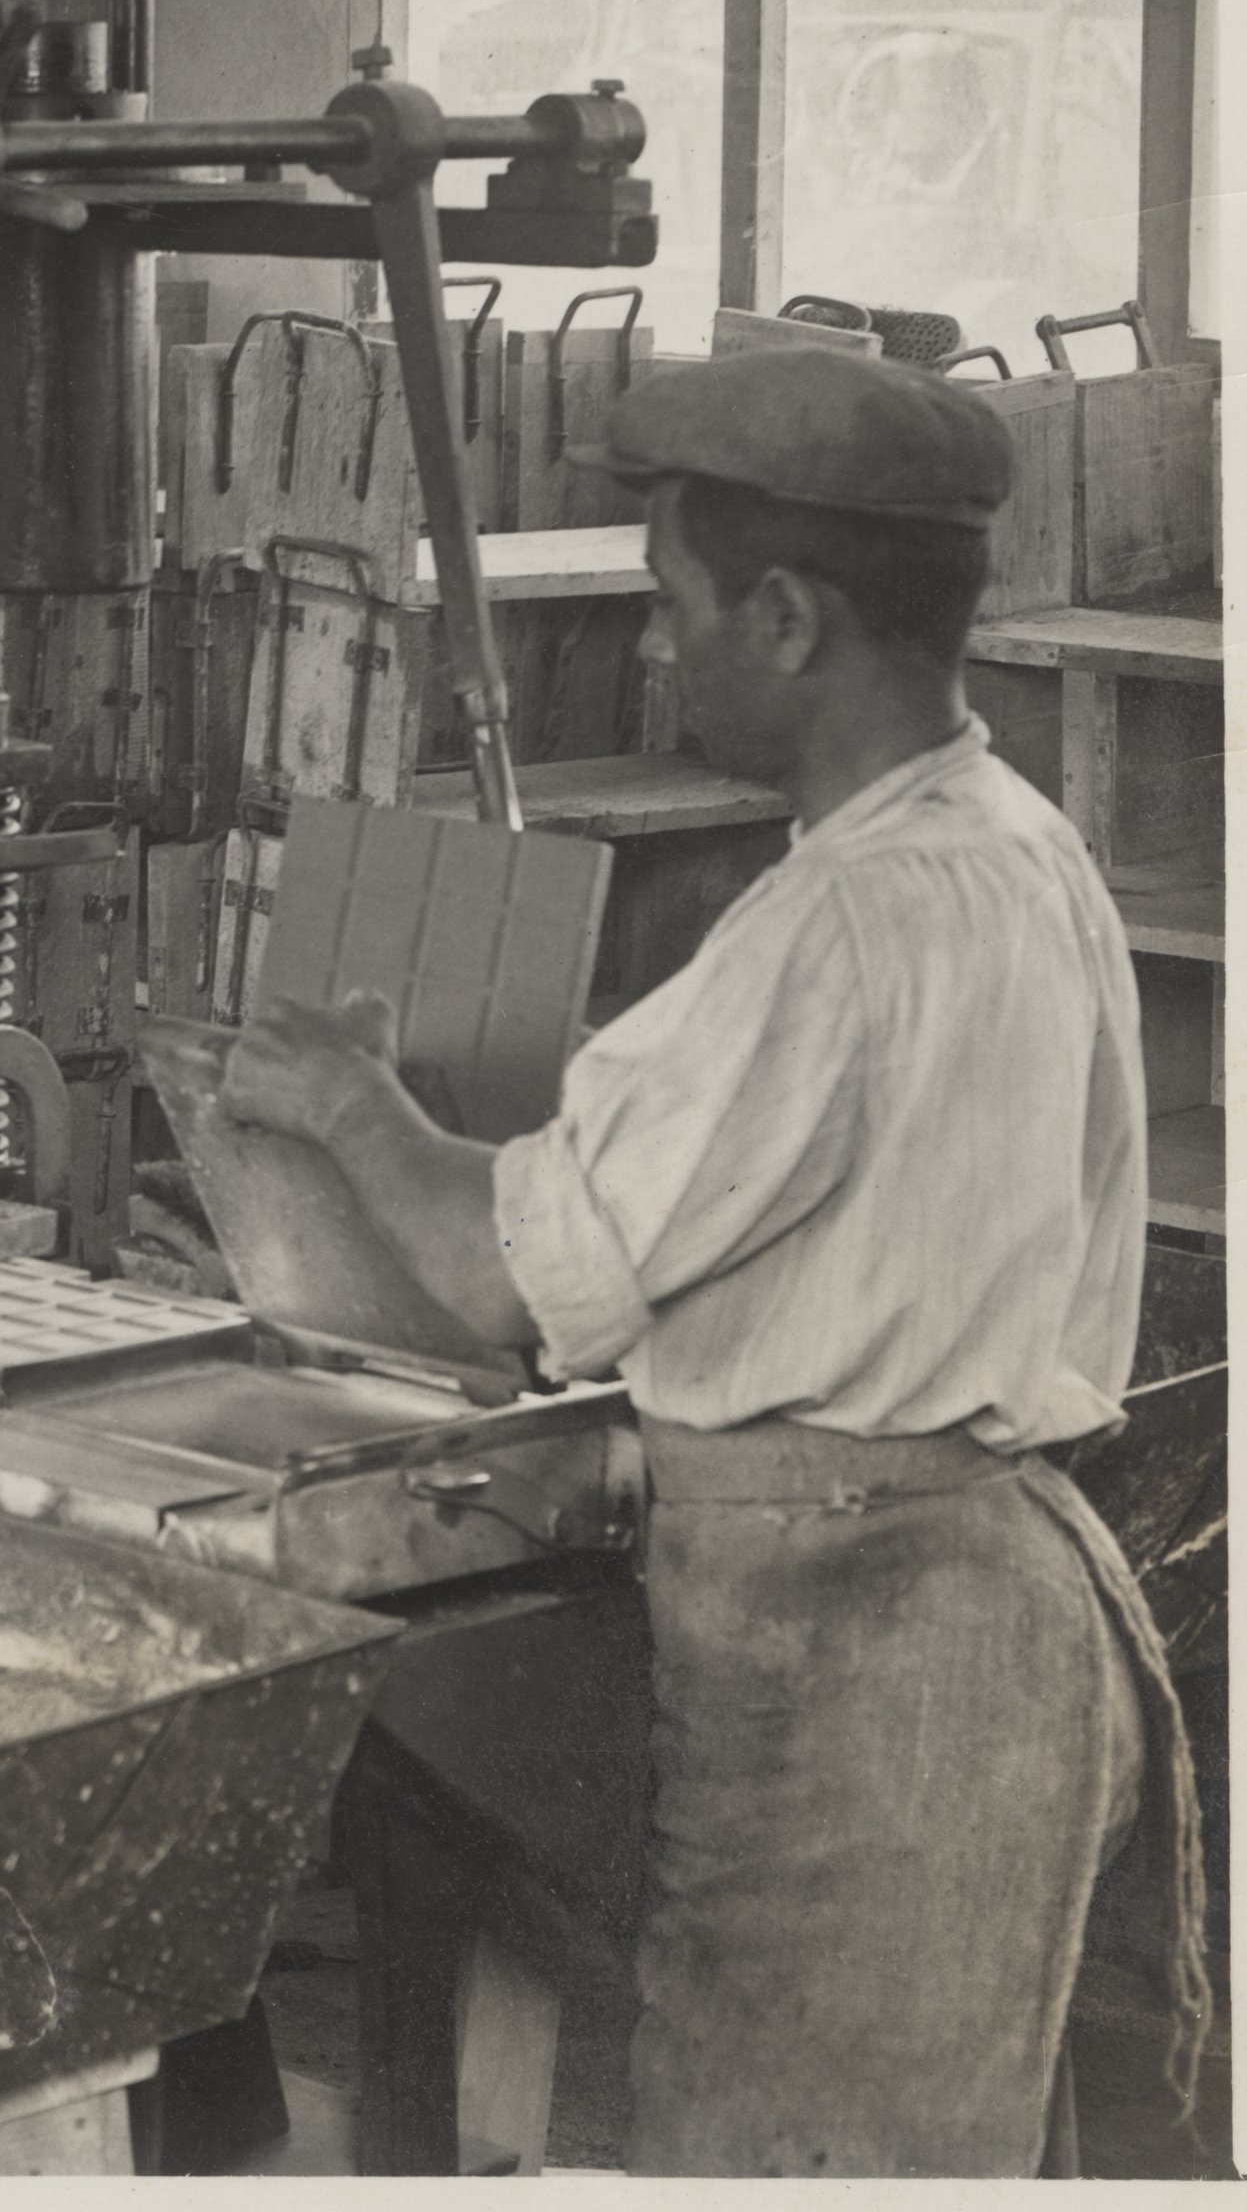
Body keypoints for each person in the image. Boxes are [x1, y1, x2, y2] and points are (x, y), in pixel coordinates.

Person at [156, 342, 1200, 2174]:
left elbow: (505, 1281)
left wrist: (346, 1100)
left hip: (885, 1663)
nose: (655, 650)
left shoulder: (838, 924)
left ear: (787, 619)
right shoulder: (1018, 849)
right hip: (972, 1601)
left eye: (673, 605)